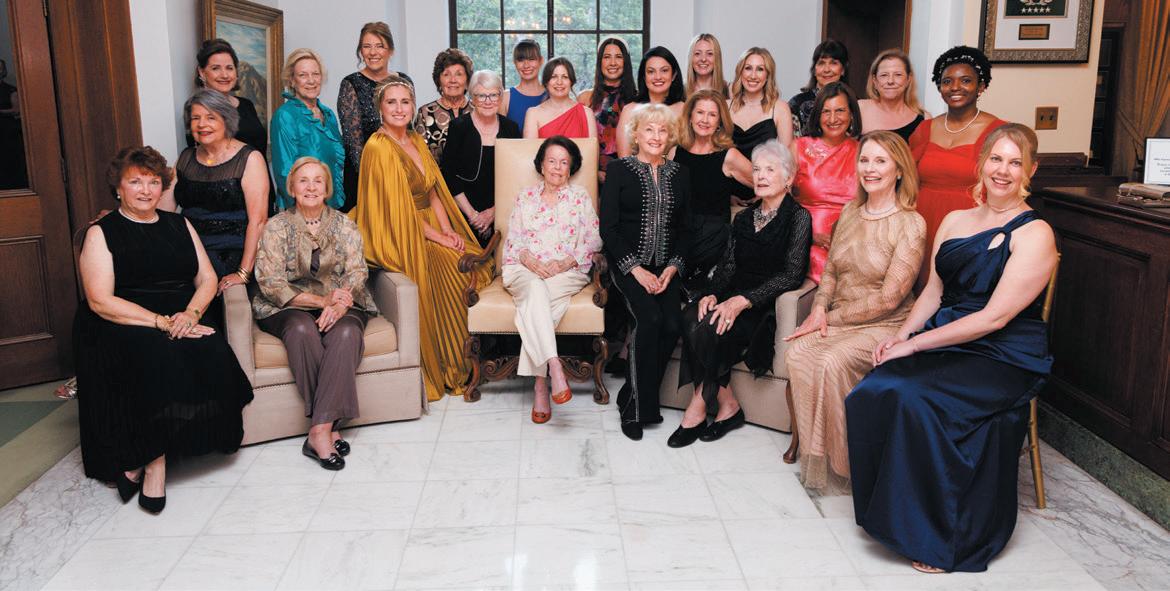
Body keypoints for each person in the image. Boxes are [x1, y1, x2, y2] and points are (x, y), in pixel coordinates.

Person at [846, 123, 1057, 574]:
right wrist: (902, 336)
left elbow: (994, 318)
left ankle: (941, 536)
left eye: (1015, 162)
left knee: (916, 398)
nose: (1002, 171)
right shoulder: (956, 220)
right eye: (996, 159)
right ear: (981, 163)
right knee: (871, 391)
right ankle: (888, 517)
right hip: (947, 335)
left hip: (1002, 352)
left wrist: (915, 346)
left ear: (1030, 170)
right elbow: (934, 293)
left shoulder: (1035, 233)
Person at [76, 146, 253, 513]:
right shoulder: (101, 232)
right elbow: (99, 300)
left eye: (154, 182)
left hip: (179, 312)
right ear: (118, 188)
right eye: (135, 182)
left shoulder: (179, 224)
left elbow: (207, 279)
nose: (146, 190)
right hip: (121, 319)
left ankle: (161, 452)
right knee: (156, 353)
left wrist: (190, 315)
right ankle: (154, 462)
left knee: (212, 348)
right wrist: (161, 322)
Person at [783, 131, 926, 490]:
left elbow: (889, 299)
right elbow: (830, 271)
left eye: (880, 161)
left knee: (832, 361)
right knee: (798, 352)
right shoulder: (849, 212)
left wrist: (826, 319)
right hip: (840, 316)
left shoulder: (911, 223)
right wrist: (818, 308)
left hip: (887, 324)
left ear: (899, 170)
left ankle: (849, 467)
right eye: (864, 160)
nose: (870, 169)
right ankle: (818, 456)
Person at [349, 76, 492, 401]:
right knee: (457, 271)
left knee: (476, 263)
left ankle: (472, 359)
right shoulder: (378, 147)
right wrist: (438, 238)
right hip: (401, 230)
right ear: (380, 108)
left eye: (405, 102)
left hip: (429, 223)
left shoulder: (415, 138)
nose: (399, 108)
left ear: (413, 106)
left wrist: (449, 230)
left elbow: (434, 192)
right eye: (392, 102)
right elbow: (398, 210)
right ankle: (451, 364)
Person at [669, 139, 812, 448]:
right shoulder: (744, 218)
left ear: (788, 177)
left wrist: (744, 301)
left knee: (710, 329)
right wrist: (711, 294)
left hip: (761, 306)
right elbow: (728, 267)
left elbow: (792, 274)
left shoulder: (799, 217)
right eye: (756, 169)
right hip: (732, 295)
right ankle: (728, 403)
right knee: (692, 314)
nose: (760, 176)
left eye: (770, 170)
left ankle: (696, 408)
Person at [253, 157, 378, 471]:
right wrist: (322, 302)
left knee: (347, 332)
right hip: (288, 306)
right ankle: (330, 426)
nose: (311, 187)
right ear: (292, 188)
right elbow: (270, 282)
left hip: (342, 301)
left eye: (318, 181)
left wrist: (340, 304)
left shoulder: (345, 225)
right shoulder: (276, 226)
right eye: (303, 181)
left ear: (327, 188)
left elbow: (357, 272)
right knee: (301, 331)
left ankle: (319, 430)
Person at [601, 103, 691, 441]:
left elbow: (686, 228)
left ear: (670, 137)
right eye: (649, 130)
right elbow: (608, 228)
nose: (656, 136)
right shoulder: (619, 170)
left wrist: (673, 267)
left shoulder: (681, 173)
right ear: (636, 134)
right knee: (649, 319)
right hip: (627, 265)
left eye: (662, 130)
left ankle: (631, 390)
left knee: (672, 324)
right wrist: (636, 270)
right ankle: (635, 409)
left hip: (666, 267)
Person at [502, 136, 602, 423]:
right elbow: (514, 239)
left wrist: (563, 262)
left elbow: (594, 240)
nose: (557, 167)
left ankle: (541, 384)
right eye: (552, 161)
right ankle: (554, 365)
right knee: (536, 288)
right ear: (541, 165)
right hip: (524, 270)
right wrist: (531, 262)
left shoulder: (579, 197)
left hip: (567, 272)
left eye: (564, 162)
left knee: (536, 301)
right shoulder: (525, 196)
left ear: (571, 168)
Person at [909, 45, 1005, 288]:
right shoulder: (924, 129)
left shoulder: (998, 131)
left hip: (971, 225)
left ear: (981, 86)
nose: (955, 87)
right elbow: (909, 179)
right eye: (947, 81)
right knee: (921, 289)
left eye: (966, 80)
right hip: (923, 222)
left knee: (959, 290)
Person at [167, 89, 269, 298]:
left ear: (227, 120)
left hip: (232, 254)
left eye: (210, 117)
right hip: (191, 252)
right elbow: (162, 212)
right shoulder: (185, 158)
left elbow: (258, 222)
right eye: (196, 118)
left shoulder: (250, 158)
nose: (202, 124)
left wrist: (242, 273)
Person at [671, 89, 753, 295]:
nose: (705, 120)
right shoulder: (674, 152)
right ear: (690, 116)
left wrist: (753, 203)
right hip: (679, 234)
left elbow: (768, 184)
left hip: (712, 238)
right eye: (700, 112)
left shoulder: (729, 156)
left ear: (720, 122)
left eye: (712, 114)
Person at [790, 82, 862, 283]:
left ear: (852, 114)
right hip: (807, 239)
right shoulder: (798, 148)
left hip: (851, 238)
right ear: (817, 115)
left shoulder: (863, 151)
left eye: (840, 111)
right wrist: (808, 234)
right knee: (827, 267)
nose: (832, 119)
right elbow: (780, 203)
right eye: (826, 112)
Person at [440, 69, 521, 247]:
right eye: (481, 96)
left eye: (493, 95)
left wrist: (492, 213)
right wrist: (473, 216)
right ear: (472, 98)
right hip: (463, 211)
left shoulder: (512, 129)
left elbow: (516, 178)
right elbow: (448, 175)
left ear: (500, 97)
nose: (488, 101)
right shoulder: (458, 127)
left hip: (502, 211)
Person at [338, 22, 413, 212]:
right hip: (365, 175)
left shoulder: (404, 81)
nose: (373, 52)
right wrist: (379, 180)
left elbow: (409, 129)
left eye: (380, 46)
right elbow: (353, 144)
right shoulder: (351, 84)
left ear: (391, 50)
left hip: (402, 171)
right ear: (360, 51)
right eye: (367, 46)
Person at [271, 48, 346, 212]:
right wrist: (307, 212)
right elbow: (284, 172)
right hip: (300, 209)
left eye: (315, 74)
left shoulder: (328, 114)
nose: (311, 80)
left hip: (329, 206)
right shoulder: (285, 115)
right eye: (303, 75)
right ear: (292, 81)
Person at [188, 39, 269, 155]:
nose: (225, 75)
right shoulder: (198, 109)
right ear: (202, 72)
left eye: (229, 68)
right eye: (216, 68)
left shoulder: (247, 105)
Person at [578, 37, 637, 182]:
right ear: (600, 62)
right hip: (592, 176)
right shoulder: (585, 98)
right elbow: (579, 143)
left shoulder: (638, 99)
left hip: (631, 176)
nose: (613, 63)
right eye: (607, 57)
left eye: (618, 57)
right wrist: (594, 172)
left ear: (626, 62)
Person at [615, 46, 685, 158]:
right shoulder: (629, 110)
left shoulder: (684, 109)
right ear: (644, 76)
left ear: (674, 75)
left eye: (664, 70)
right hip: (635, 169)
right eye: (651, 71)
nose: (658, 77)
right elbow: (624, 159)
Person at [728, 47, 794, 159]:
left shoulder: (780, 108)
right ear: (740, 72)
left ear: (768, 75)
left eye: (760, 69)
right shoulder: (725, 106)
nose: (753, 76)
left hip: (766, 170)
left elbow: (787, 160)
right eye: (748, 68)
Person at [415, 48, 473, 160]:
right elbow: (420, 156)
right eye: (446, 74)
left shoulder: (478, 110)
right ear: (439, 81)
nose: (453, 80)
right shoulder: (425, 113)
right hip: (437, 171)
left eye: (459, 74)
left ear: (467, 81)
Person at [858, 49, 925, 141]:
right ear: (875, 81)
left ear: (908, 79)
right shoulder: (859, 109)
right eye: (884, 75)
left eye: (898, 75)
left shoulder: (923, 119)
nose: (890, 81)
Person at [522, 57, 597, 139]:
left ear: (571, 82)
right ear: (546, 82)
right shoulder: (533, 114)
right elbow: (530, 147)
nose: (559, 82)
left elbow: (592, 147)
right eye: (554, 77)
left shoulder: (587, 113)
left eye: (565, 77)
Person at [789, 39, 849, 137]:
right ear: (814, 69)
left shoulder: (855, 103)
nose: (827, 69)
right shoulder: (796, 103)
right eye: (821, 63)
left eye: (833, 63)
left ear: (843, 70)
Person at [501, 39, 546, 131]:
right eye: (520, 60)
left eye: (531, 59)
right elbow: (500, 136)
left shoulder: (552, 95)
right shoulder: (505, 97)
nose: (526, 65)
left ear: (541, 61)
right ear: (514, 62)